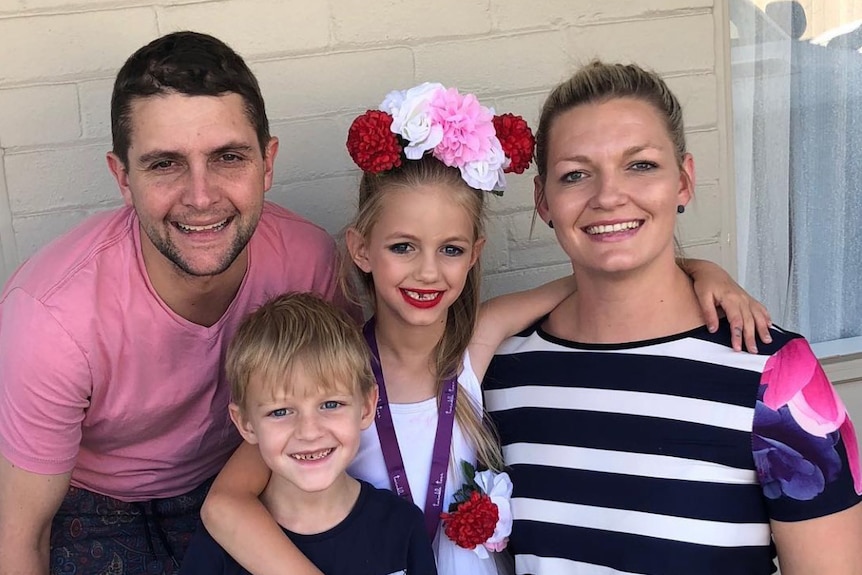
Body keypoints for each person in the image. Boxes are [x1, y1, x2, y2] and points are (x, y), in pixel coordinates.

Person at [194, 83, 772, 575]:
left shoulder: (478, 341)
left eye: (449, 249)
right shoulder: (328, 374)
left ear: (475, 255)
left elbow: (599, 268)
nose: (426, 271)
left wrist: (702, 269)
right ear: (361, 249)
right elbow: (226, 503)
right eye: (402, 247)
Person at [482, 60, 862, 575]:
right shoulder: (499, 372)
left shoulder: (777, 377)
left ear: (683, 182)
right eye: (575, 174)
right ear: (543, 200)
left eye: (640, 165)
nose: (609, 195)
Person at [0, 32, 343, 574]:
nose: (201, 196)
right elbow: (20, 538)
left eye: (228, 157)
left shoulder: (309, 262)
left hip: (246, 469)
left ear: (267, 161)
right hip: (90, 503)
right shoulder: (50, 318)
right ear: (123, 177)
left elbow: (338, 406)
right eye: (164, 164)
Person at [180, 292, 438, 574]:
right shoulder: (221, 544)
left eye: (330, 404)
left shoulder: (401, 528)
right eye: (280, 412)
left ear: (366, 407)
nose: (309, 431)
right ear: (245, 424)